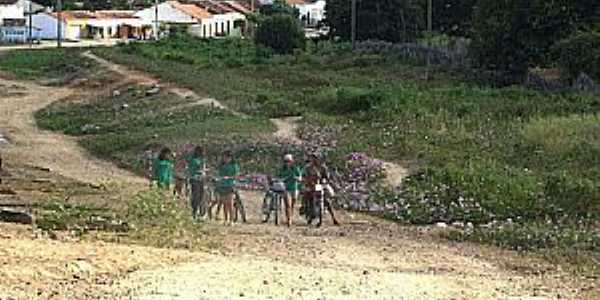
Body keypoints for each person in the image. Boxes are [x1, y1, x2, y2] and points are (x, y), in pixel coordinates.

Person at [303, 153, 339, 227]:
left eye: (315, 158)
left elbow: (327, 177)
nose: (313, 160)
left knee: (327, 201)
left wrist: (324, 181)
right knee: (306, 197)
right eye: (312, 158)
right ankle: (308, 213)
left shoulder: (322, 167)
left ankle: (333, 218)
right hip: (311, 185)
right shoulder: (308, 168)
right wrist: (307, 182)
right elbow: (305, 177)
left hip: (320, 185)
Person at [277, 154, 302, 227]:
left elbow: (300, 178)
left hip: (294, 188)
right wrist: (283, 179)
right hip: (286, 188)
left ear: (292, 161)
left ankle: (290, 216)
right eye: (285, 161)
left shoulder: (295, 168)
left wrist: (296, 178)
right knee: (288, 204)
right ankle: (289, 220)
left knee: (292, 205)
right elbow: (279, 177)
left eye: (288, 161)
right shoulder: (282, 169)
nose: (287, 163)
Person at [216, 151, 240, 226]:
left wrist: (229, 177)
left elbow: (236, 176)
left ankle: (231, 220)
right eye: (224, 157)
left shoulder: (234, 166)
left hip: (230, 185)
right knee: (224, 203)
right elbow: (219, 174)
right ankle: (225, 219)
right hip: (222, 185)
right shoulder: (221, 166)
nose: (225, 159)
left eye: (226, 157)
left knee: (230, 203)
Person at [187, 145, 206, 219]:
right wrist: (198, 171)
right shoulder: (193, 159)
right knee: (196, 196)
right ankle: (194, 211)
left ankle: (199, 211)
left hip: (201, 179)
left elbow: (203, 169)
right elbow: (191, 170)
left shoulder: (202, 159)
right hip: (194, 179)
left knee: (201, 195)